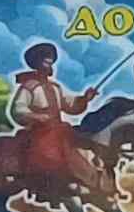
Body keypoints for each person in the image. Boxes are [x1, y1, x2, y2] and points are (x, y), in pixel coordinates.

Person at [7, 41, 95, 180]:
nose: (50, 66)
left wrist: (84, 99)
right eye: (46, 63)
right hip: (39, 133)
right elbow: (18, 109)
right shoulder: (29, 87)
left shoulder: (55, 87)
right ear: (37, 64)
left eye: (51, 63)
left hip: (59, 129)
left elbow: (69, 105)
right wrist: (36, 116)